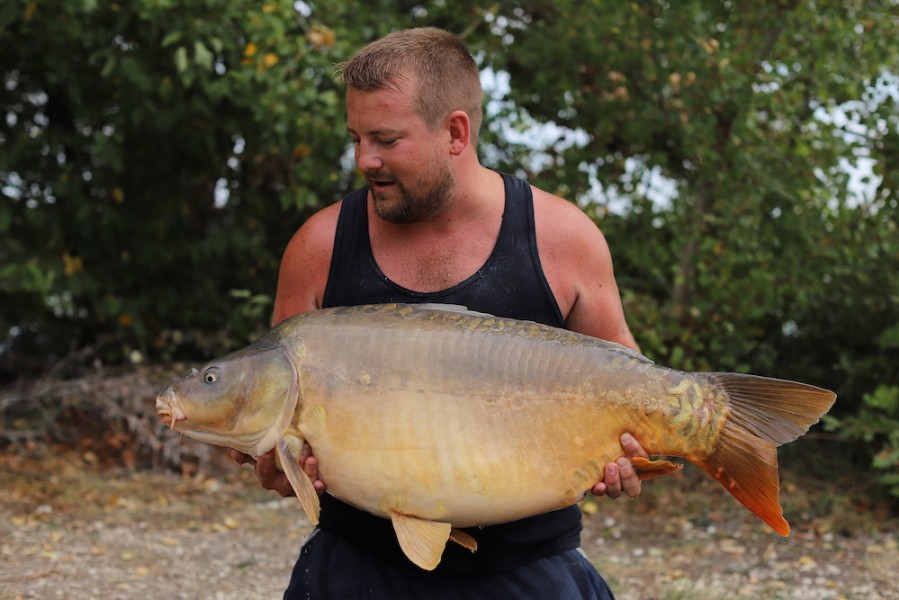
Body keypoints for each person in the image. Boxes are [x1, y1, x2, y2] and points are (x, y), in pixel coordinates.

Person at [231, 27, 648, 599]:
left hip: (529, 569)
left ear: (455, 131)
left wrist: (630, 455)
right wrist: (280, 466)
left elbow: (626, 372)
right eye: (354, 137)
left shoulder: (562, 237)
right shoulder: (320, 246)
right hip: (356, 568)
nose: (363, 159)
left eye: (385, 138)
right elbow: (280, 419)